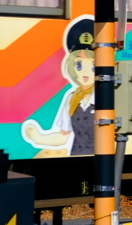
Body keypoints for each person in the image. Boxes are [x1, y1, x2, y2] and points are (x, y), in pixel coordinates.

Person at [21, 17, 96, 156]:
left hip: (103, 162)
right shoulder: (72, 98)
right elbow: (63, 136)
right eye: (79, 65)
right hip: (76, 159)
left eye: (93, 66)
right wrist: (37, 137)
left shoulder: (106, 96)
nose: (85, 72)